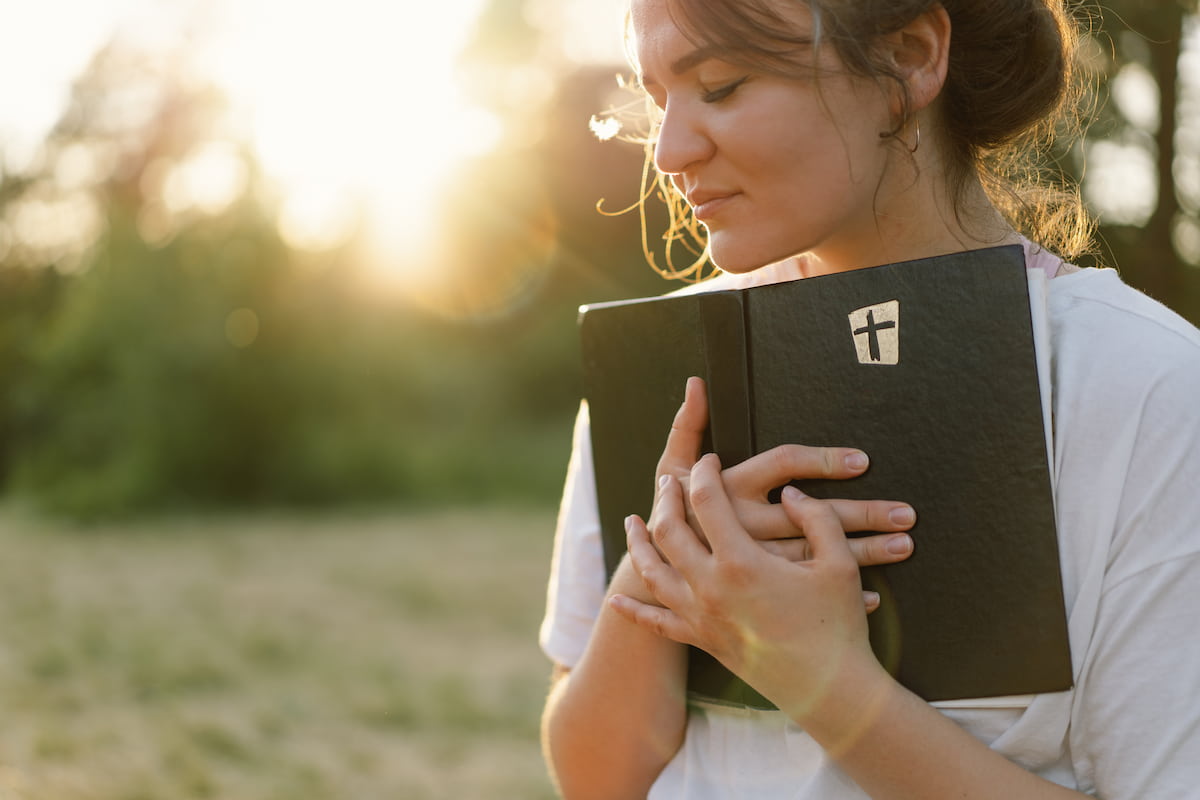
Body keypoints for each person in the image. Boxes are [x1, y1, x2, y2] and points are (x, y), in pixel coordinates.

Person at [539, 0, 1200, 797]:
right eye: (656, 98)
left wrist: (820, 679)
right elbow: (592, 776)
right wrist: (658, 573)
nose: (670, 151)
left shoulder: (1145, 389)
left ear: (910, 58)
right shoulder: (664, 365)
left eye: (719, 84)